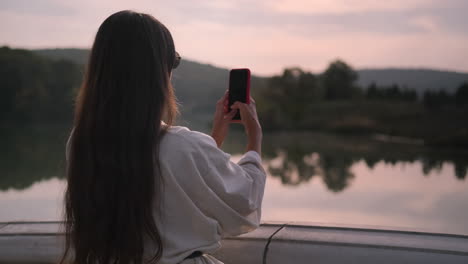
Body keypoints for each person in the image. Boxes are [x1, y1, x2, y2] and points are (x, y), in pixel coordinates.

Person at [61, 10, 266, 264]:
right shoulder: (183, 146)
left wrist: (213, 140)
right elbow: (243, 207)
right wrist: (254, 139)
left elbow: (163, 183)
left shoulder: (80, 144)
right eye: (173, 61)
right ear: (159, 72)